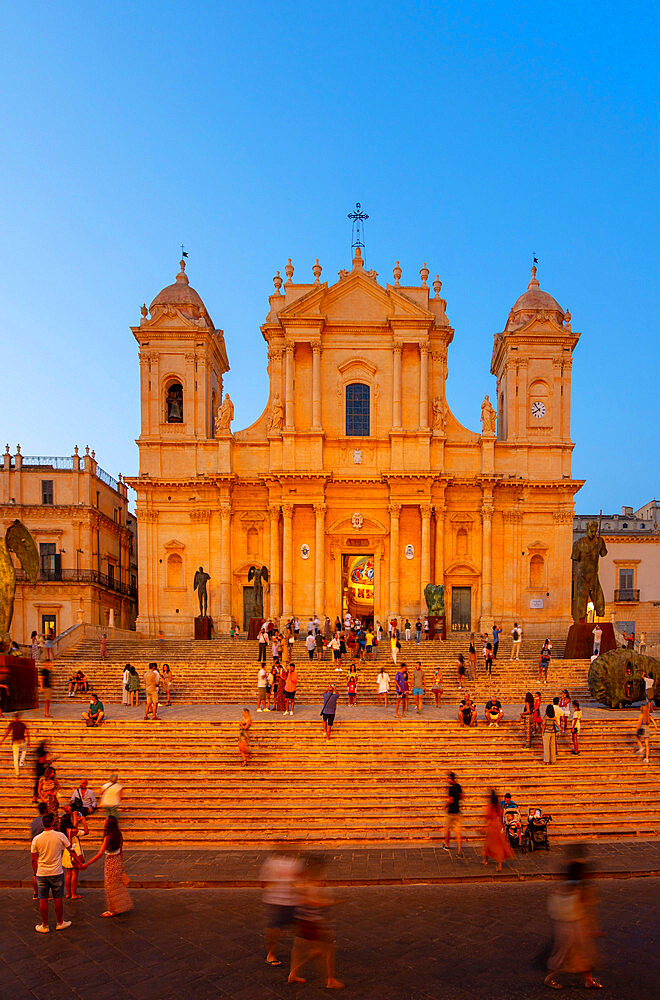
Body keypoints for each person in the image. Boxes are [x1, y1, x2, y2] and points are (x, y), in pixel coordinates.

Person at [544, 859, 603, 990]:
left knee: (581, 954)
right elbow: (588, 909)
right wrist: (593, 928)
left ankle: (589, 980)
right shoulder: (581, 889)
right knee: (568, 954)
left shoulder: (563, 887)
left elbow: (554, 906)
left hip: (567, 925)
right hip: (574, 926)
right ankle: (549, 978)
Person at [288, 853, 344, 989]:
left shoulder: (299, 882)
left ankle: (293, 973)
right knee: (329, 948)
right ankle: (330, 980)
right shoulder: (313, 885)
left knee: (298, 948)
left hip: (300, 920)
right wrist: (332, 903)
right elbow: (315, 903)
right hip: (313, 922)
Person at [79, 815, 133, 917]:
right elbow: (121, 851)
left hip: (110, 863)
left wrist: (86, 864)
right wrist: (122, 866)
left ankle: (112, 910)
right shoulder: (119, 834)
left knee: (110, 887)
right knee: (117, 886)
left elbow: (100, 853)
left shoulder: (107, 837)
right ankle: (119, 907)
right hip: (117, 861)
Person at [262, 845, 303, 967]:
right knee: (277, 928)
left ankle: (272, 954)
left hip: (283, 900)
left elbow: (264, 883)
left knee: (278, 927)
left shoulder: (271, 862)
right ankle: (271, 954)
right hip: (282, 900)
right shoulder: (292, 863)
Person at [31, 812, 72, 932]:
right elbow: (70, 849)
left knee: (43, 899)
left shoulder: (37, 839)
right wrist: (78, 861)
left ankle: (44, 925)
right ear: (53, 823)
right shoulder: (60, 836)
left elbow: (34, 859)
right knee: (58, 898)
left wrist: (35, 872)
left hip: (42, 873)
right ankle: (60, 922)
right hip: (56, 872)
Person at [483, 790, 514, 871]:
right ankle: (499, 865)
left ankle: (486, 861)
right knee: (499, 846)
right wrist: (502, 826)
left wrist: (483, 825)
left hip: (491, 826)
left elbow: (487, 816)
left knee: (488, 844)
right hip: (497, 826)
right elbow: (500, 816)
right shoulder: (497, 806)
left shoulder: (490, 806)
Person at [60, 805, 87, 899]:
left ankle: (68, 893)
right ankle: (74, 894)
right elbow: (86, 832)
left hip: (67, 852)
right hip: (74, 851)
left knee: (68, 872)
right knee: (75, 872)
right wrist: (83, 821)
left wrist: (75, 818)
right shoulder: (73, 831)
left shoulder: (63, 831)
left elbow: (73, 827)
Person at [1, 711, 30, 776]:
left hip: (15, 742)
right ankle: (21, 762)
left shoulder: (12, 724)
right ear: (19, 717)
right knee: (24, 750)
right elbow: (27, 733)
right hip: (22, 741)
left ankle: (17, 772)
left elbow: (7, 733)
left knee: (15, 757)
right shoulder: (23, 724)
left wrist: (2, 740)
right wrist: (29, 741)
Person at [442, 771, 463, 856]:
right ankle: (459, 850)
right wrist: (457, 800)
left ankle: (447, 845)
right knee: (458, 832)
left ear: (451, 779)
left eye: (448, 778)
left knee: (447, 829)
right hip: (458, 811)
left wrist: (446, 806)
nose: (447, 780)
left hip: (451, 812)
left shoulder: (450, 789)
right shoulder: (458, 786)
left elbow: (451, 800)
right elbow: (462, 796)